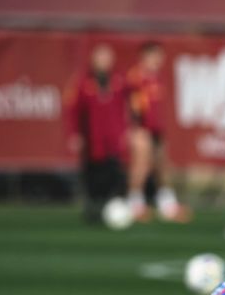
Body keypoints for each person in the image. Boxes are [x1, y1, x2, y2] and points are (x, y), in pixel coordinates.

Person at [125, 41, 189, 223]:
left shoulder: (157, 77)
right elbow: (132, 106)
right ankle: (135, 204)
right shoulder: (136, 77)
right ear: (145, 56)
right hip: (142, 128)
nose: (159, 60)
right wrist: (136, 127)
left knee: (162, 167)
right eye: (155, 56)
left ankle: (167, 205)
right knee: (141, 167)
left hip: (157, 129)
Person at [67, 42, 128, 224]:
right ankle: (93, 208)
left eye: (106, 58)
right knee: (93, 174)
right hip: (93, 138)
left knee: (114, 173)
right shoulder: (83, 83)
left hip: (114, 137)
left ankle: (112, 207)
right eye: (100, 58)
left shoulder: (119, 81)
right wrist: (74, 133)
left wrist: (126, 131)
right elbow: (73, 110)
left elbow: (126, 108)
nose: (103, 62)